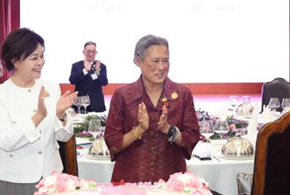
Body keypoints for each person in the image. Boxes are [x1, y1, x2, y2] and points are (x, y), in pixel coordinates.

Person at [0, 28, 76, 195]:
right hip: (16, 179)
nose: (41, 62)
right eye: (34, 57)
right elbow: (6, 142)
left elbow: (63, 137)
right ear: (15, 61)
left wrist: (60, 115)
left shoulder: (51, 87)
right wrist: (38, 117)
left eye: (42, 56)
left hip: (51, 178)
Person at [104, 35, 200, 184]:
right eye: (155, 61)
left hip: (171, 182)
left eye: (166, 60)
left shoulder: (182, 94)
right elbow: (112, 144)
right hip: (130, 181)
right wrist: (139, 130)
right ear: (138, 61)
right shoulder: (123, 95)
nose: (161, 67)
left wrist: (169, 130)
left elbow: (192, 138)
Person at [68, 41, 108, 112]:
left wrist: (98, 71)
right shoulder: (76, 66)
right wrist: (85, 71)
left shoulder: (101, 66)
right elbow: (72, 80)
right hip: (80, 105)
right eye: (88, 51)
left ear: (96, 52)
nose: (91, 54)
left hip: (97, 105)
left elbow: (105, 82)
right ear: (83, 52)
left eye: (93, 51)